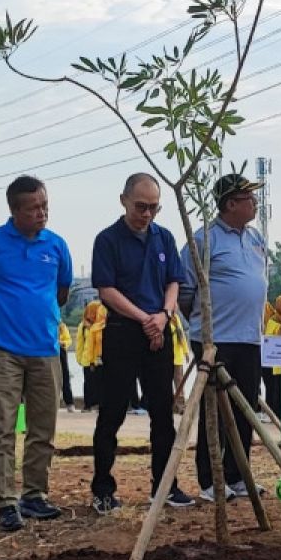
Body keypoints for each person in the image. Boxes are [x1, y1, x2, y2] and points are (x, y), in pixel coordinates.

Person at [0, 175, 72, 532]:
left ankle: (34, 494)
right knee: (3, 428)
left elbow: (61, 293)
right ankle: (6, 500)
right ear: (14, 210)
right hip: (3, 351)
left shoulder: (56, 246)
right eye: (34, 208)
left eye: (45, 205)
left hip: (45, 349)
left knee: (43, 427)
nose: (42, 213)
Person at [90, 172, 194, 513]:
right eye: (140, 206)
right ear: (123, 200)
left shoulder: (163, 239)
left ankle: (164, 485)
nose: (146, 214)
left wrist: (163, 315)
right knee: (113, 412)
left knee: (163, 413)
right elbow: (106, 290)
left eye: (153, 207)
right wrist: (143, 318)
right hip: (123, 332)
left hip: (159, 332)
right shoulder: (108, 240)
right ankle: (103, 489)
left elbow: (174, 282)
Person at [181, 173, 270, 501]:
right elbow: (187, 292)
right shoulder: (204, 240)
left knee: (245, 406)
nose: (255, 203)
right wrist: (203, 332)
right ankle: (210, 480)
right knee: (214, 409)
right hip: (215, 339)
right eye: (249, 198)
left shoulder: (256, 238)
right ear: (231, 203)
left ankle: (237, 475)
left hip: (249, 337)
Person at [75, 300, 106, 411]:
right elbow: (79, 344)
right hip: (88, 361)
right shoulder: (83, 326)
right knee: (89, 384)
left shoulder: (102, 325)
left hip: (100, 360)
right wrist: (79, 359)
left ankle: (100, 405)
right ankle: (88, 405)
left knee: (101, 383)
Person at [171, 312, 191, 415]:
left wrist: (186, 352)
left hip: (177, 357)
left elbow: (181, 336)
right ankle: (170, 405)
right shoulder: (161, 318)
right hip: (165, 357)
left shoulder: (176, 318)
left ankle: (181, 406)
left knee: (179, 382)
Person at [58, 321, 76, 413]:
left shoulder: (62, 326)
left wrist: (61, 343)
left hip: (60, 351)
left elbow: (68, 340)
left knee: (65, 377)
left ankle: (69, 403)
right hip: (47, 352)